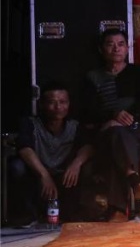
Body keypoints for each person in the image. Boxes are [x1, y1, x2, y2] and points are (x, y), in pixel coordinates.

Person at [81, 28, 140, 222]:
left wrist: (125, 118)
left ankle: (118, 210)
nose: (116, 49)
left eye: (121, 44)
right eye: (110, 44)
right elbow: (88, 110)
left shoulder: (138, 72)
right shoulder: (93, 77)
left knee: (117, 139)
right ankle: (134, 181)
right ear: (101, 49)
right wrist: (112, 116)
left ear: (127, 48)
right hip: (105, 132)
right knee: (115, 137)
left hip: (137, 129)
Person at [10, 82, 94, 225]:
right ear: (42, 104)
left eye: (63, 102)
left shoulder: (75, 125)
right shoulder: (30, 123)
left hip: (64, 175)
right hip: (37, 174)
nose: (58, 107)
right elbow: (25, 148)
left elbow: (88, 146)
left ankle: (77, 213)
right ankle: (27, 215)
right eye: (52, 102)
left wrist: (76, 164)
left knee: (88, 167)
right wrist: (44, 175)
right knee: (17, 166)